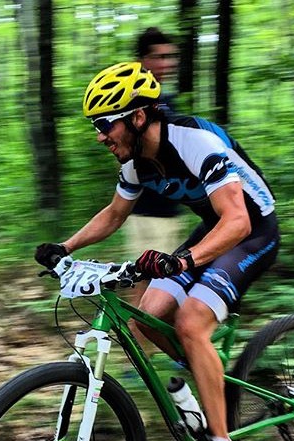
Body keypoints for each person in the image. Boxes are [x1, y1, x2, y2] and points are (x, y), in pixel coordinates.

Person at [35, 62, 279, 441]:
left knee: (190, 320)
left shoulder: (194, 142)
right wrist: (66, 247)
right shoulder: (136, 164)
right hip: (215, 227)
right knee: (145, 316)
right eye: (96, 125)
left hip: (253, 230)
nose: (99, 135)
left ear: (138, 117)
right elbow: (113, 215)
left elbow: (238, 222)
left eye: (105, 124)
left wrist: (183, 262)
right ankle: (207, 376)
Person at [125, 28, 182, 333]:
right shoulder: (136, 104)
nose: (166, 63)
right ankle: (140, 362)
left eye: (170, 56)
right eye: (158, 57)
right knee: (147, 292)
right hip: (145, 211)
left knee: (161, 294)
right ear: (142, 60)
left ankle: (155, 360)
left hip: (168, 212)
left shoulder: (167, 101)